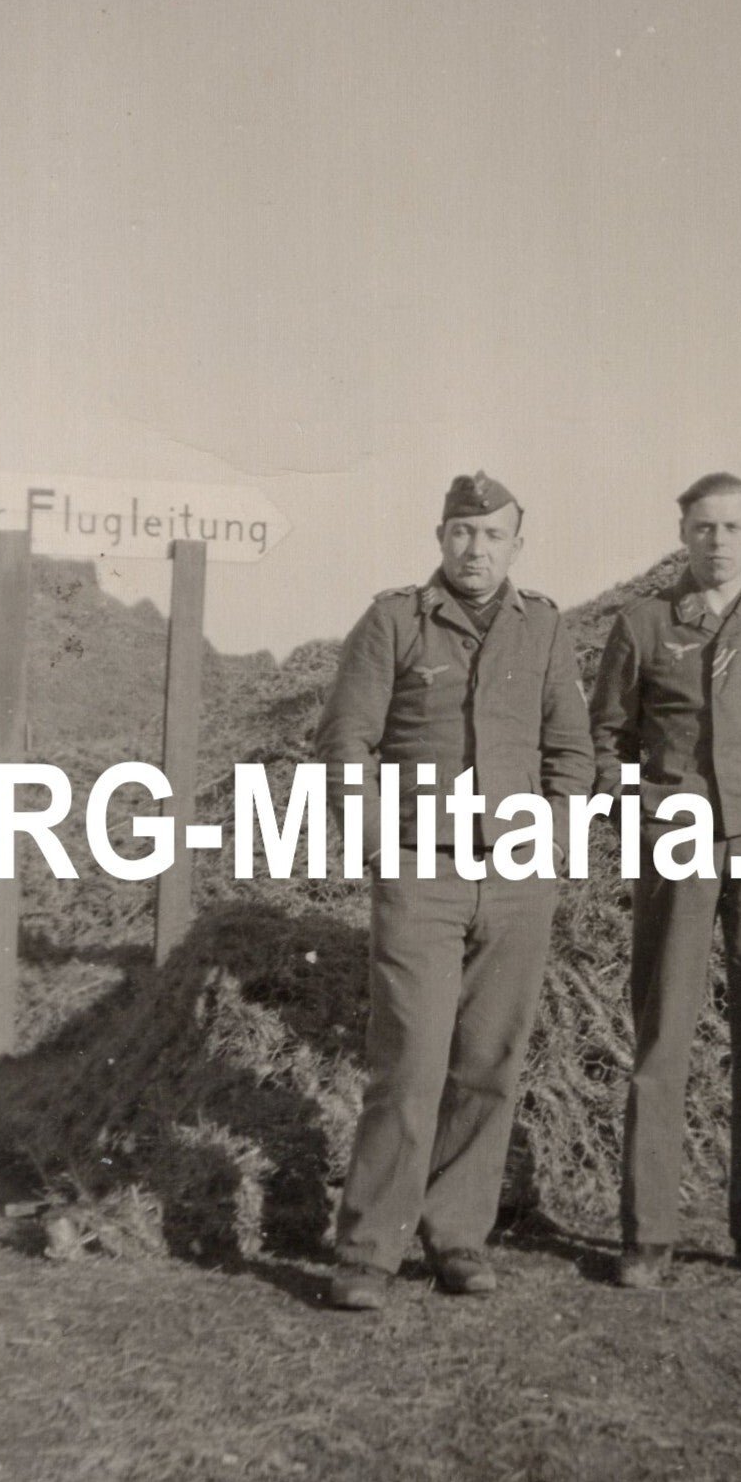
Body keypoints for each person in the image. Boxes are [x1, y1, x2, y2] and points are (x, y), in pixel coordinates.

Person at [315, 471, 594, 1308]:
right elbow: (346, 745)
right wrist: (378, 848)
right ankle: (368, 1253)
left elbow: (571, 755)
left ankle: (458, 1240)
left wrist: (549, 844)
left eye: (494, 536)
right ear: (441, 539)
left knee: (488, 1065)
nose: (477, 551)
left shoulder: (543, 628)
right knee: (410, 1061)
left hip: (516, 878)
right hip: (421, 871)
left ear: (517, 543)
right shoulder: (394, 620)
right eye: (462, 535)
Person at [589, 471, 741, 1286]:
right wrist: (643, 818)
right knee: (663, 1032)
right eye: (703, 527)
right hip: (680, 843)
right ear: (683, 532)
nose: (717, 542)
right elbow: (606, 745)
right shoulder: (643, 625)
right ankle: (648, 1233)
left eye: (732, 527)